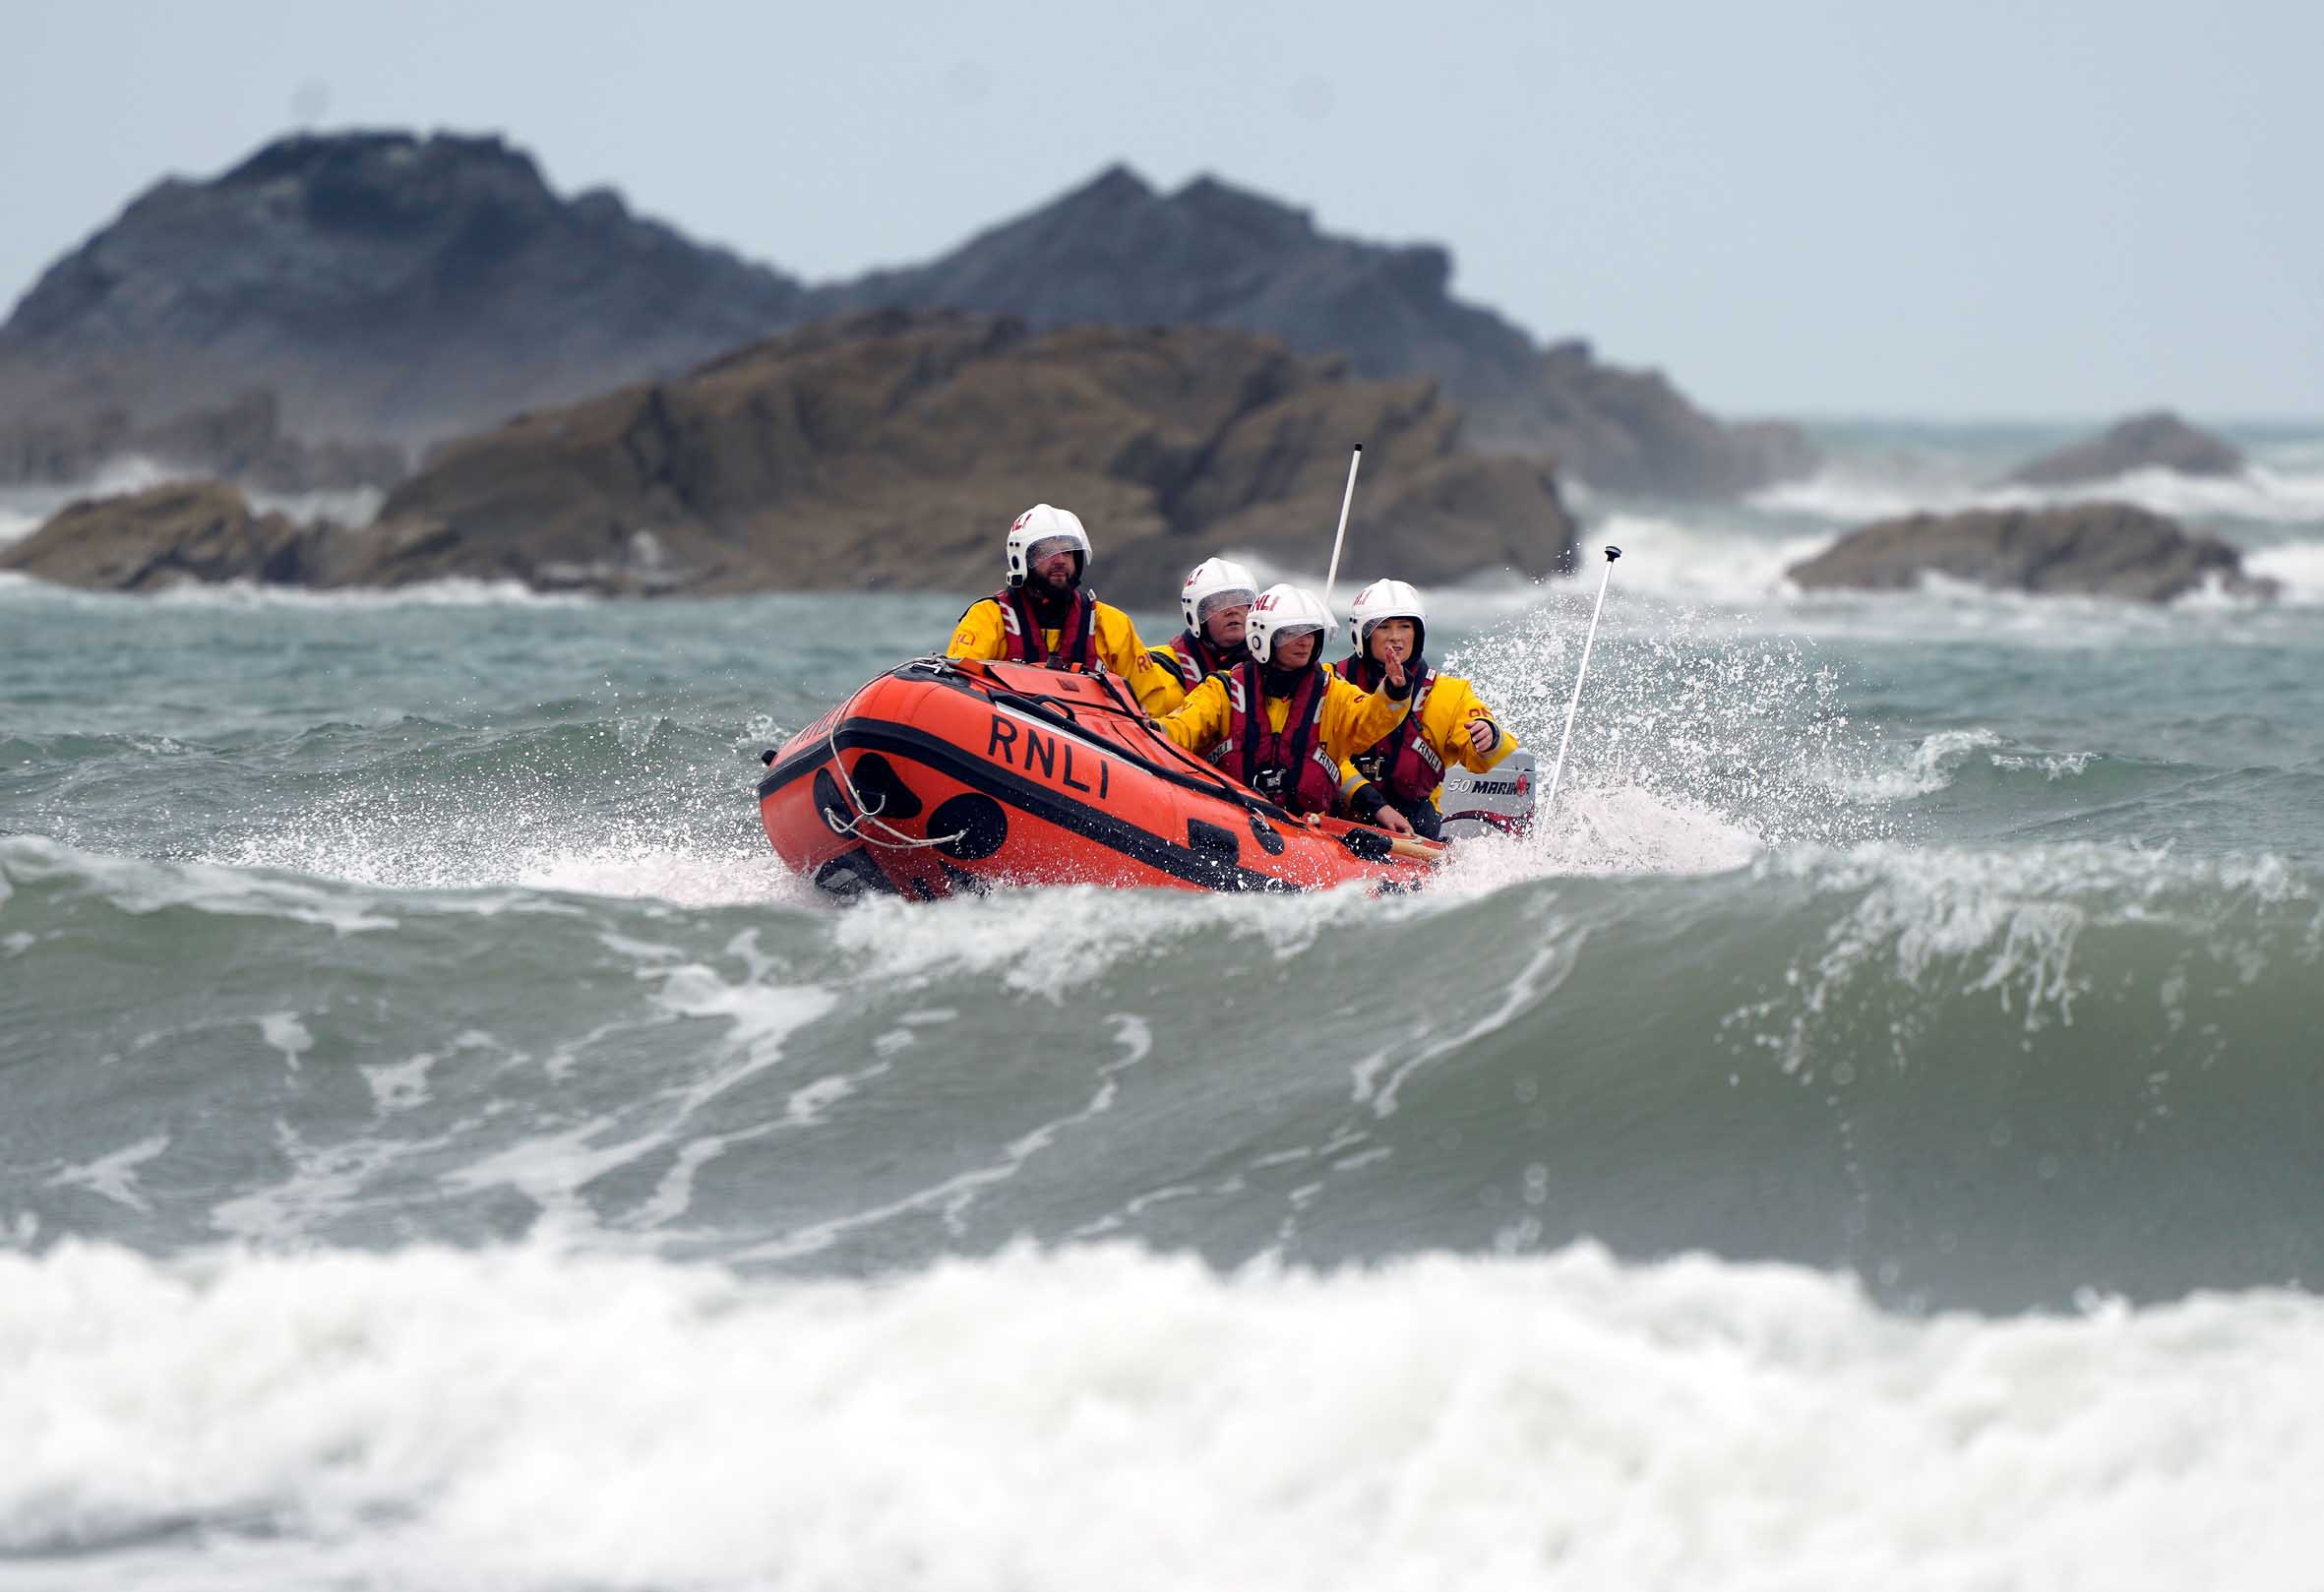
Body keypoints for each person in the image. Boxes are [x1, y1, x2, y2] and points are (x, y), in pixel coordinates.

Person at [1156, 583, 1413, 818]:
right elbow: (1186, 724)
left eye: (1311, 633)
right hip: (1231, 815)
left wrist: (1393, 691)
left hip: (1308, 829)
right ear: (1263, 638)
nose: (1304, 641)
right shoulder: (1224, 688)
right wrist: (1158, 730)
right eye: (1291, 633)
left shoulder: (1332, 692)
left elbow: (1369, 720)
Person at [946, 504, 1186, 713]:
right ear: (1022, 560)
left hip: (1095, 748)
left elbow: (1154, 703)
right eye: (1046, 552)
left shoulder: (1111, 624)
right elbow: (959, 688)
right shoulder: (988, 617)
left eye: (1068, 551)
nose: (1060, 559)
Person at [1331, 579, 1516, 840]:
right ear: (1361, 635)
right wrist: (1374, 804)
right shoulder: (1331, 683)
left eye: (1405, 626)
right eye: (1384, 627)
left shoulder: (1449, 693)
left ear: (1418, 634)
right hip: (1336, 816)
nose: (1395, 636)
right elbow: (1317, 754)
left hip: (1412, 824)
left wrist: (1489, 737)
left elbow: (1481, 758)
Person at [1149, 556, 1257, 690]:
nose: (1232, 610)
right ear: (1194, 617)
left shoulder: (1279, 666)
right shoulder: (1158, 668)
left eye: (1239, 600)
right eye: (1218, 603)